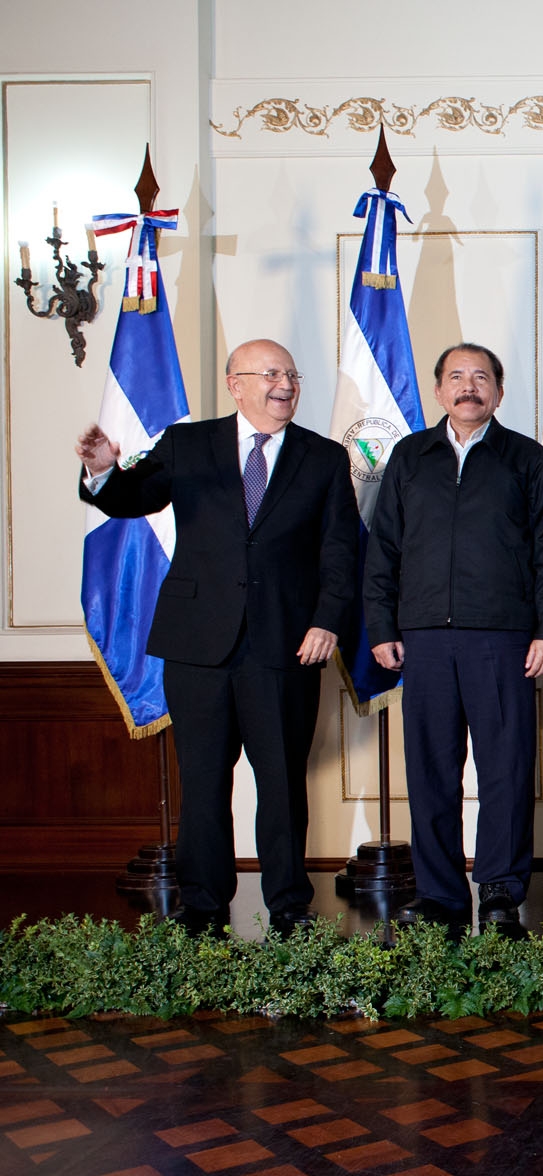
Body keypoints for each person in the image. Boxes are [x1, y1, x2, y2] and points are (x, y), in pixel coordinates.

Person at [76, 339, 358, 936]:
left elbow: (340, 551)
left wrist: (327, 619)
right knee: (204, 780)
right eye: (270, 373)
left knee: (281, 783)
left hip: (287, 644)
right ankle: (202, 904)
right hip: (199, 644)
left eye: (291, 372)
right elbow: (134, 497)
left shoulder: (325, 458)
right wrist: (103, 471)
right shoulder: (189, 443)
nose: (285, 383)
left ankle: (288, 905)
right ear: (236, 383)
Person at [364, 343, 543, 939]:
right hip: (422, 638)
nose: (469, 387)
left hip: (503, 638)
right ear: (438, 391)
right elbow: (383, 548)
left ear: (499, 393)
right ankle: (439, 895)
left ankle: (502, 893)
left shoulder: (525, 459)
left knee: (506, 769)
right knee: (431, 771)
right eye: (456, 376)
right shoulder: (410, 456)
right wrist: (382, 627)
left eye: (481, 378)